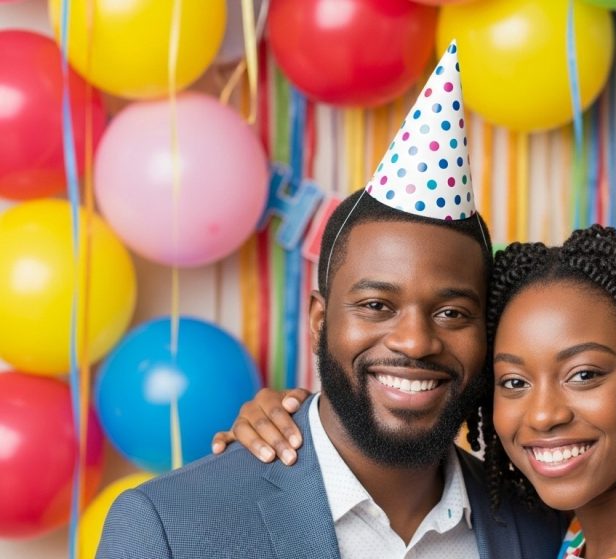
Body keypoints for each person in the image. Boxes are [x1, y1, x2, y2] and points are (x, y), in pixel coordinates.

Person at [97, 44, 566, 559]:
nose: (414, 341)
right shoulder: (169, 526)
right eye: (376, 306)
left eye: (451, 313)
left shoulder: (545, 528)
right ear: (320, 321)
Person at [222, 225, 616, 558]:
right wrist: (307, 418)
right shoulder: (575, 532)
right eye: (513, 382)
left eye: (584, 374)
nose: (545, 414)